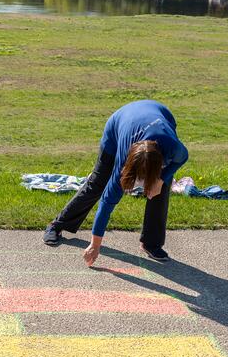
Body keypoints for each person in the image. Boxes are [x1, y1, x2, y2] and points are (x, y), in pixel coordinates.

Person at [42, 100, 188, 266]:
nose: (138, 184)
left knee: (160, 189)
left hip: (161, 115)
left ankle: (151, 243)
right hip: (118, 125)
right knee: (98, 183)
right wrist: (95, 245)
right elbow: (107, 203)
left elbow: (183, 158)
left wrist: (161, 179)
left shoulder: (173, 148)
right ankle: (57, 225)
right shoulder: (122, 162)